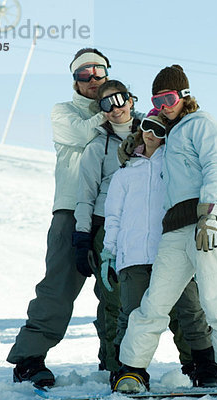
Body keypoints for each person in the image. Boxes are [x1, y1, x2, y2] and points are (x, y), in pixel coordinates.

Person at [113, 65, 217, 393]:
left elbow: (215, 167)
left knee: (216, 299)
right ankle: (132, 370)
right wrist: (133, 145)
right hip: (175, 228)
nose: (164, 105)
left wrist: (209, 215)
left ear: (185, 96)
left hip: (208, 220)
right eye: (157, 100)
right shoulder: (170, 131)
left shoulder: (199, 123)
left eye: (169, 98)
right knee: (155, 303)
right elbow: (148, 149)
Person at [7, 48, 112, 387]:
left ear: (107, 73)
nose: (93, 78)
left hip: (113, 214)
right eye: (84, 74)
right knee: (58, 288)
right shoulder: (64, 112)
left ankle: (117, 363)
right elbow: (83, 134)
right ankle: (29, 358)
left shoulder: (125, 112)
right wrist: (113, 112)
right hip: (71, 209)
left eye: (98, 71)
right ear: (75, 81)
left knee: (116, 291)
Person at [100, 114, 217, 392]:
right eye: (147, 127)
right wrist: (109, 253)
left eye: (160, 129)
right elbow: (114, 216)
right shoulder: (125, 173)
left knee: (190, 311)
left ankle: (204, 368)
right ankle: (126, 372)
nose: (152, 133)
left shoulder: (174, 166)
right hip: (135, 256)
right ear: (140, 130)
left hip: (172, 253)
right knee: (131, 315)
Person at [72, 79, 143, 377]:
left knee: (162, 296)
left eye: (120, 99)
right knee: (112, 297)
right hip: (107, 227)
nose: (116, 108)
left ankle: (195, 363)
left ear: (131, 100)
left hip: (143, 224)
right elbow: (85, 196)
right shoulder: (97, 147)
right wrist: (82, 236)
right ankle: (115, 365)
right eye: (106, 103)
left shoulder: (152, 134)